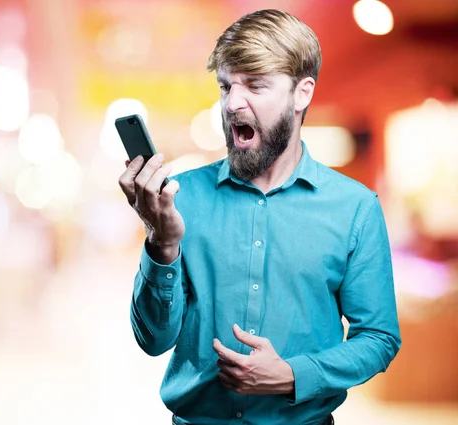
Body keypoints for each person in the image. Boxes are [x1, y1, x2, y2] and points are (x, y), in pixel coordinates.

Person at [118, 9, 401, 425]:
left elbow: (378, 339)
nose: (233, 103)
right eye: (226, 85)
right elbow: (153, 340)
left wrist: (291, 375)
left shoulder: (355, 209)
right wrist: (162, 243)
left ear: (302, 93)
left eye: (255, 85)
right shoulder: (182, 198)